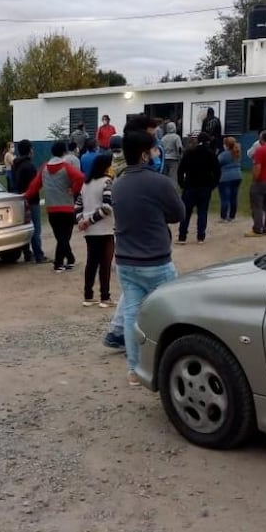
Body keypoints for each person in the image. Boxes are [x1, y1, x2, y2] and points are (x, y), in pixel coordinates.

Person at [111, 130, 184, 387]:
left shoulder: (117, 184)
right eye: (154, 149)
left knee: (132, 315)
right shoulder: (160, 182)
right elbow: (178, 214)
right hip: (156, 262)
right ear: (144, 154)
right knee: (170, 314)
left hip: (126, 262)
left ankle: (134, 370)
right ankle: (168, 366)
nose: (157, 153)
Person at [23, 140, 84, 272]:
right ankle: (59, 263)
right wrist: (73, 190)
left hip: (51, 209)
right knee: (64, 237)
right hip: (66, 208)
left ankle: (70, 259)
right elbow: (80, 177)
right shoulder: (66, 167)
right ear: (64, 152)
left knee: (60, 237)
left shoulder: (44, 168)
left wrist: (25, 196)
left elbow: (34, 186)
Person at [75, 153, 115, 307]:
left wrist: (82, 221)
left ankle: (88, 295)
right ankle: (105, 297)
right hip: (104, 229)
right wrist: (90, 221)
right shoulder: (107, 182)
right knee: (105, 264)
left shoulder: (86, 183)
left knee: (91, 262)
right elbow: (107, 207)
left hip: (89, 231)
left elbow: (77, 206)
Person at [176, 132, 220, 244]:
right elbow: (217, 171)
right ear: (208, 141)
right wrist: (213, 185)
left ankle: (182, 236)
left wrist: (182, 184)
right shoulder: (211, 154)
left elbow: (181, 170)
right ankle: (200, 237)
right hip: (205, 186)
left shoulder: (189, 153)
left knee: (186, 212)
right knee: (202, 212)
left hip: (190, 186)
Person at [13, 139, 47, 264]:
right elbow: (35, 184)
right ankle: (38, 254)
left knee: (25, 226)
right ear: (29, 150)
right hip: (32, 199)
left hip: (20, 198)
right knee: (36, 229)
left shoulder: (16, 164)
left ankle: (27, 253)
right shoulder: (30, 166)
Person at [217, 136, 243, 223]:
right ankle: (232, 216)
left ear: (226, 145)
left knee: (225, 198)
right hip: (237, 176)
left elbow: (216, 164)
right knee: (234, 197)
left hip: (225, 177)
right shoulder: (237, 153)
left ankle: (224, 216)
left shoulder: (223, 155)